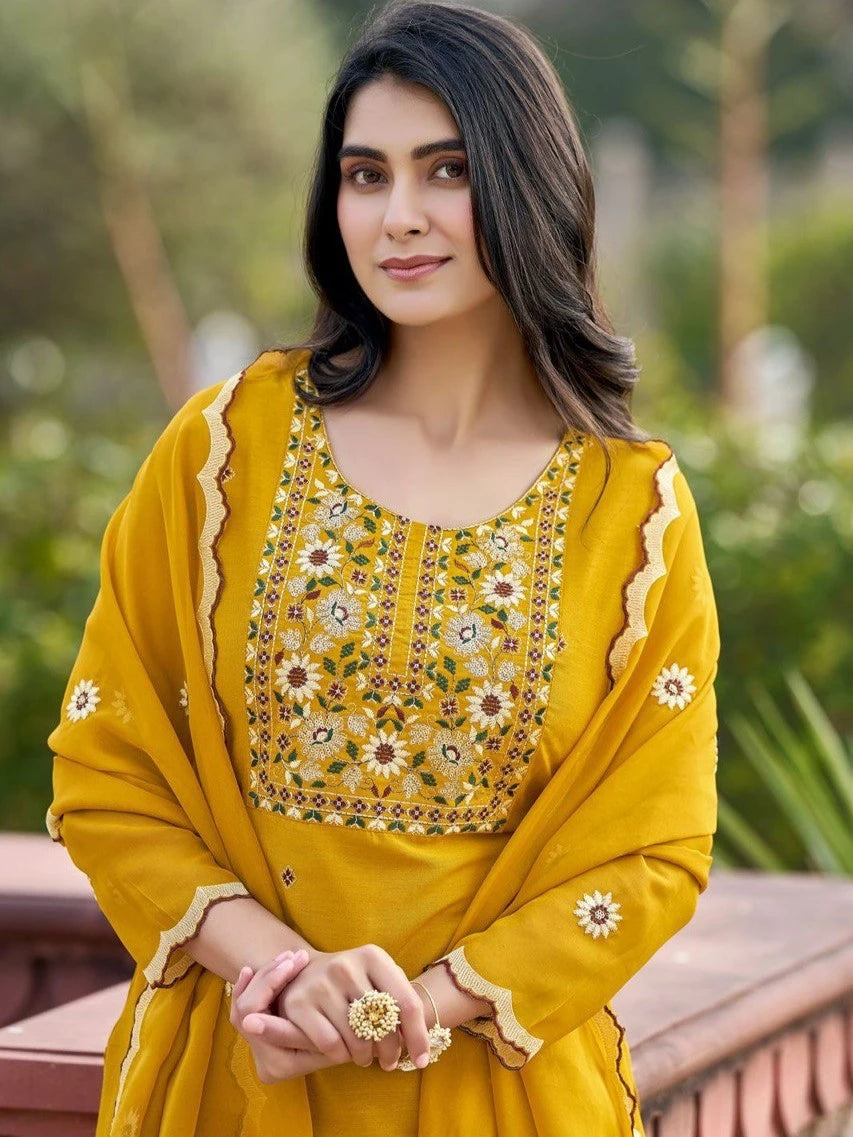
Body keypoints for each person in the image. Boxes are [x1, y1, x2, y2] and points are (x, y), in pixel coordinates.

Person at [45, 2, 720, 1134]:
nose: (398, 217)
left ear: (525, 181)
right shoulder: (224, 454)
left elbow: (653, 850)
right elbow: (109, 770)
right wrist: (283, 970)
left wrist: (425, 1005)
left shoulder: (635, 510)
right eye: (365, 176)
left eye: (444, 171)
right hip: (235, 1080)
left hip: (500, 1096)